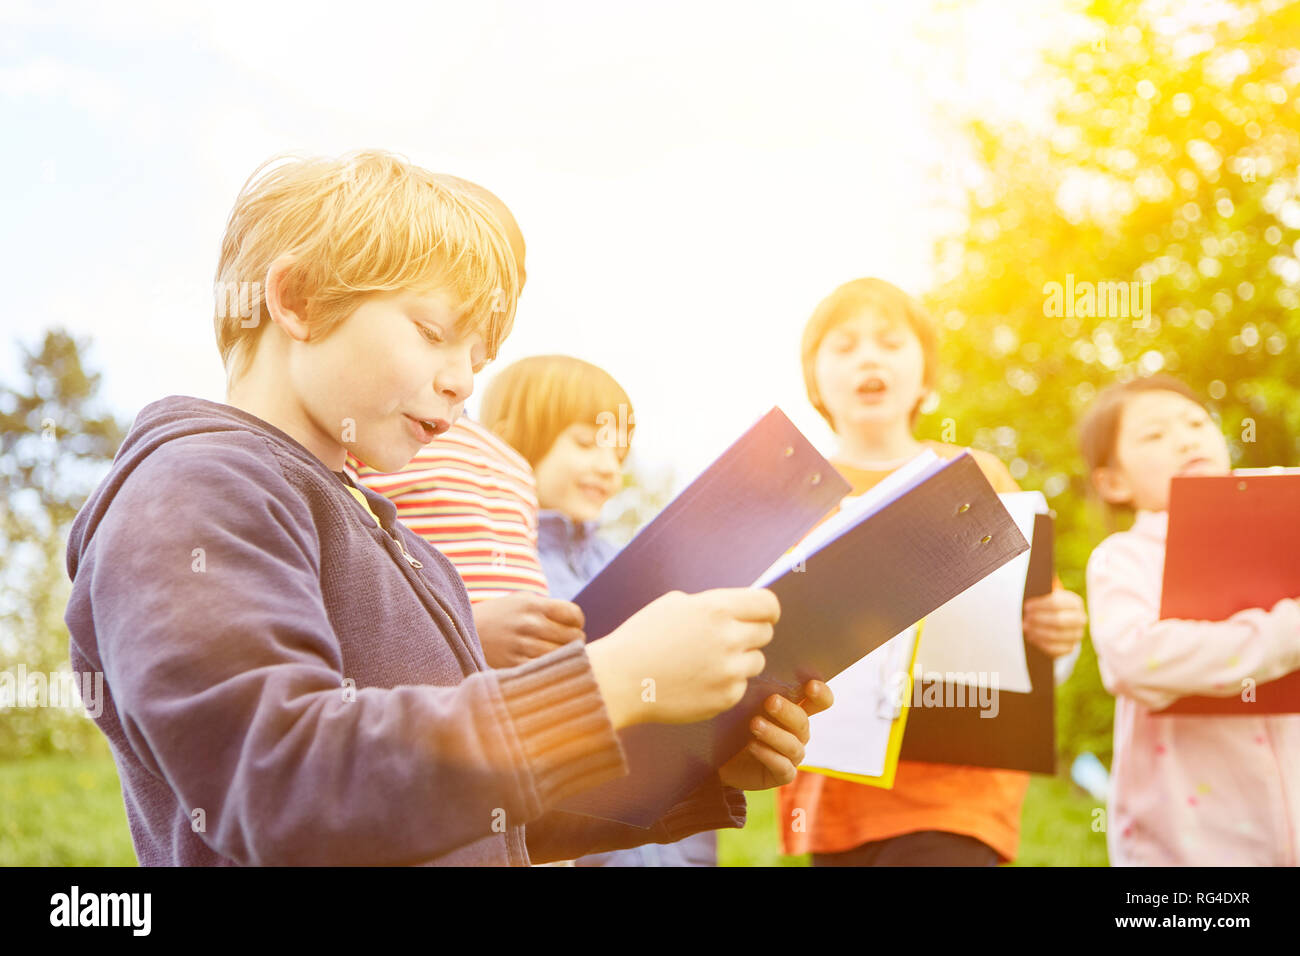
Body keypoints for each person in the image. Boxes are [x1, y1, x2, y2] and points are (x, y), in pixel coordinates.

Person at [63, 150, 831, 866]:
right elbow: (282, 783)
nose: (464, 381)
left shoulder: (415, 555)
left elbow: (481, 815)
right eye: (434, 332)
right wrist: (613, 679)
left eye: (479, 358)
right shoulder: (193, 489)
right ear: (296, 299)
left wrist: (697, 761)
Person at [777, 277, 1087, 866]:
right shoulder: (790, 497)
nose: (868, 356)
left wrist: (1058, 631)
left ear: (925, 376)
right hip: (830, 803)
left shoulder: (978, 475)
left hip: (959, 796)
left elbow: (1044, 633)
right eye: (844, 347)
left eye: (890, 343)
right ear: (814, 381)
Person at [480, 353, 719, 866]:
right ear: (508, 443)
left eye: (618, 451)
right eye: (586, 444)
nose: (608, 467)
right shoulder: (494, 563)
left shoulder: (633, 564)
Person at [1080, 374, 1300, 865]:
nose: (1185, 438)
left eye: (1197, 423)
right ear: (1113, 482)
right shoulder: (1124, 559)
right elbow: (1137, 659)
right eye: (1154, 435)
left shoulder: (1282, 525)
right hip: (1185, 848)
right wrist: (1287, 634)